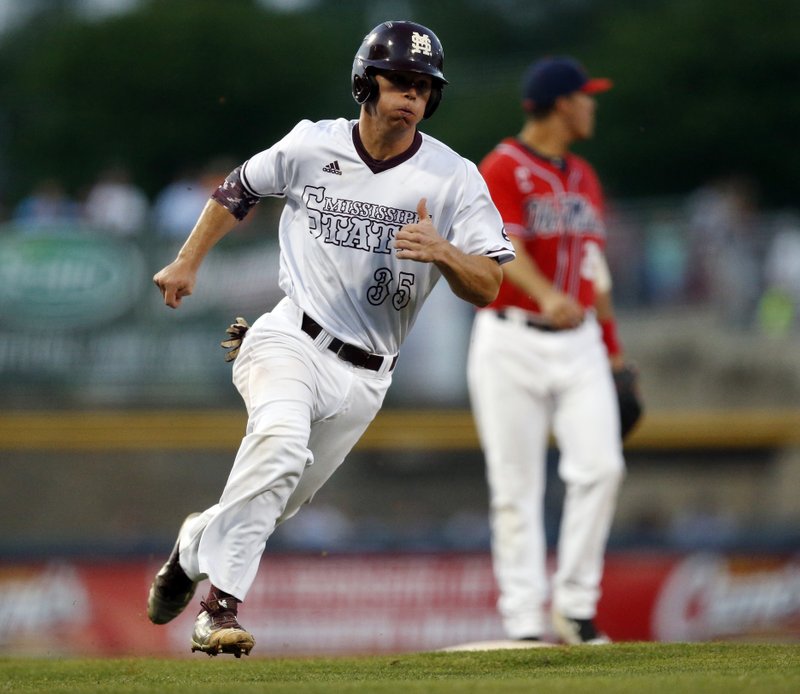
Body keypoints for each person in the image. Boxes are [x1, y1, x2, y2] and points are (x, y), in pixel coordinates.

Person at [147, 20, 514, 658]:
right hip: (291, 337)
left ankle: (190, 549)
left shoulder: (454, 176)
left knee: (274, 501)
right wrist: (186, 261)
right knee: (280, 445)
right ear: (364, 81)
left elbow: (489, 286)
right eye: (399, 80)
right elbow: (238, 189)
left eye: (424, 87)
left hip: (368, 376)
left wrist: (445, 252)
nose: (412, 96)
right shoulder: (312, 144)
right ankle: (217, 611)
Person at [466, 56, 626, 645]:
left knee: (602, 467)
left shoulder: (584, 175)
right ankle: (524, 621)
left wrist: (614, 351)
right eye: (587, 96)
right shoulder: (502, 166)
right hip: (511, 336)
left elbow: (594, 270)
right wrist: (546, 295)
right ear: (562, 104)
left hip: (579, 340)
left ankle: (576, 606)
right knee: (516, 487)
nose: (593, 105)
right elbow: (503, 243)